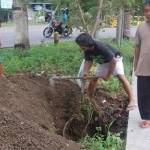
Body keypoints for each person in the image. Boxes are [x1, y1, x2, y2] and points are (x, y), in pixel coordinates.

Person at [75, 32, 135, 111]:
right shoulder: (87, 50)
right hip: (103, 62)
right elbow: (88, 61)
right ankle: (89, 97)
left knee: (121, 77)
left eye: (81, 45)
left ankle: (132, 100)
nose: (80, 47)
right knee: (94, 78)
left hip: (115, 59)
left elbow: (113, 61)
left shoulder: (100, 47)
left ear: (87, 43)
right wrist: (85, 72)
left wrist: (108, 76)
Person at [134, 0, 150, 128]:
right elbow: (137, 47)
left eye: (149, 10)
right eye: (145, 10)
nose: (147, 13)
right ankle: (146, 117)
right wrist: (135, 65)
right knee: (143, 94)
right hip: (144, 66)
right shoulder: (140, 27)